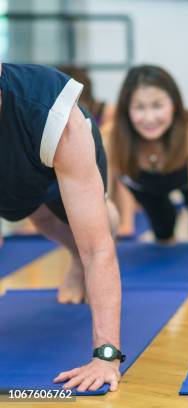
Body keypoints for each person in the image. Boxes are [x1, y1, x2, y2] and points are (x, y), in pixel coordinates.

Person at [0, 63, 123, 391]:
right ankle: (72, 259)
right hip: (16, 174)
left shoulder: (52, 114)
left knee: (98, 227)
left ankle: (103, 215)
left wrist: (106, 356)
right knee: (40, 217)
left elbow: (98, 249)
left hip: (54, 149)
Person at [104, 65, 188, 284]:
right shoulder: (112, 136)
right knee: (163, 232)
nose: (149, 118)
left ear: (174, 105)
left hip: (185, 179)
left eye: (157, 106)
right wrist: (95, 266)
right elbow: (103, 202)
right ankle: (166, 217)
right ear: (126, 109)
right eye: (139, 107)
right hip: (145, 185)